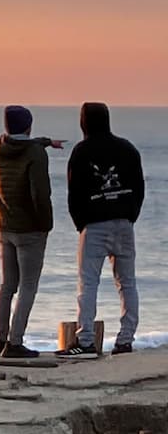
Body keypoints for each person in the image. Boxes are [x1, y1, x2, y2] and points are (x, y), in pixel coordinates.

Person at [60, 102, 145, 357]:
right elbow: (139, 187)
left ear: (84, 122)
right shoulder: (127, 148)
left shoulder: (82, 151)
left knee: (88, 283)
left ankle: (85, 341)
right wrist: (131, 215)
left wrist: (81, 224)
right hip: (124, 223)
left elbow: (74, 193)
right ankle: (125, 340)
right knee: (127, 283)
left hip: (95, 225)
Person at [0, 105, 62, 358]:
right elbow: (40, 194)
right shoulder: (35, 156)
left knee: (7, 286)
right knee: (29, 286)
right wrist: (46, 224)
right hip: (30, 229)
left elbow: (22, 145)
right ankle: (15, 342)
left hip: (4, 226)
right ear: (29, 126)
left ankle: (0, 340)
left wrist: (45, 142)